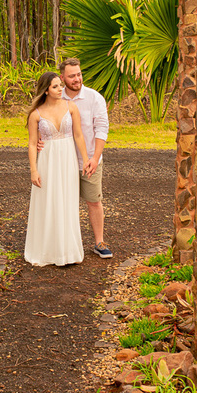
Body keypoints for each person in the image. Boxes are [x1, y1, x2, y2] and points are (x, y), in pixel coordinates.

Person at [24, 72, 90, 267]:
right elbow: (31, 144)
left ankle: (67, 251)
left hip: (67, 160)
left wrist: (85, 159)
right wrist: (33, 170)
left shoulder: (71, 107)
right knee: (48, 201)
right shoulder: (35, 115)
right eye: (55, 86)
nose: (61, 89)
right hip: (47, 161)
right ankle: (46, 250)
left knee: (67, 202)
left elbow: (78, 135)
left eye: (60, 85)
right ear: (46, 90)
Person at [58, 58, 111, 258]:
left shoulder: (94, 98)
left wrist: (95, 158)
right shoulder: (56, 97)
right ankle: (67, 244)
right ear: (62, 77)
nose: (77, 79)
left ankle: (99, 242)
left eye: (79, 74)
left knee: (94, 200)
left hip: (89, 159)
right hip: (63, 161)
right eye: (71, 76)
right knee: (64, 202)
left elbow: (102, 129)